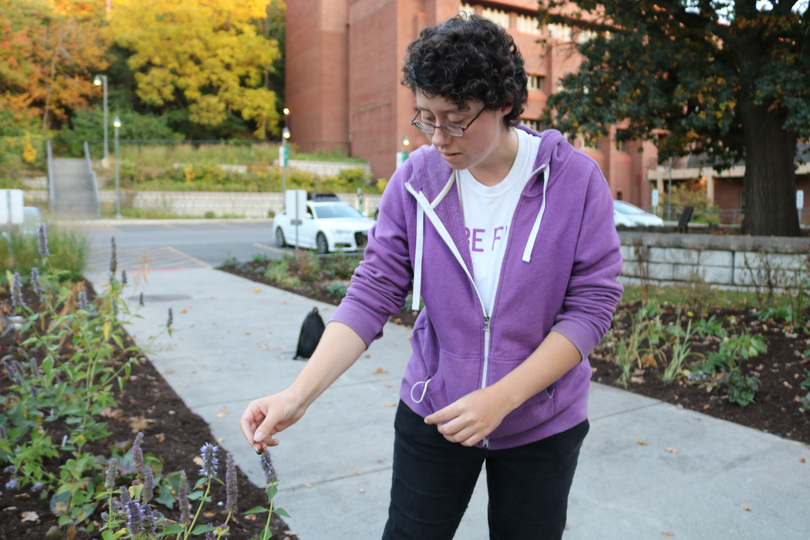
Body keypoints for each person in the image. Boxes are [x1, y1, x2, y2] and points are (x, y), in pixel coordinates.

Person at [241, 13, 623, 539]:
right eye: (425, 117)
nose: (438, 137)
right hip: (434, 413)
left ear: (505, 105)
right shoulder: (415, 182)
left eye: (456, 119)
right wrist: (298, 394)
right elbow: (373, 292)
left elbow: (592, 306)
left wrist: (503, 397)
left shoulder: (575, 180)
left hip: (542, 423)